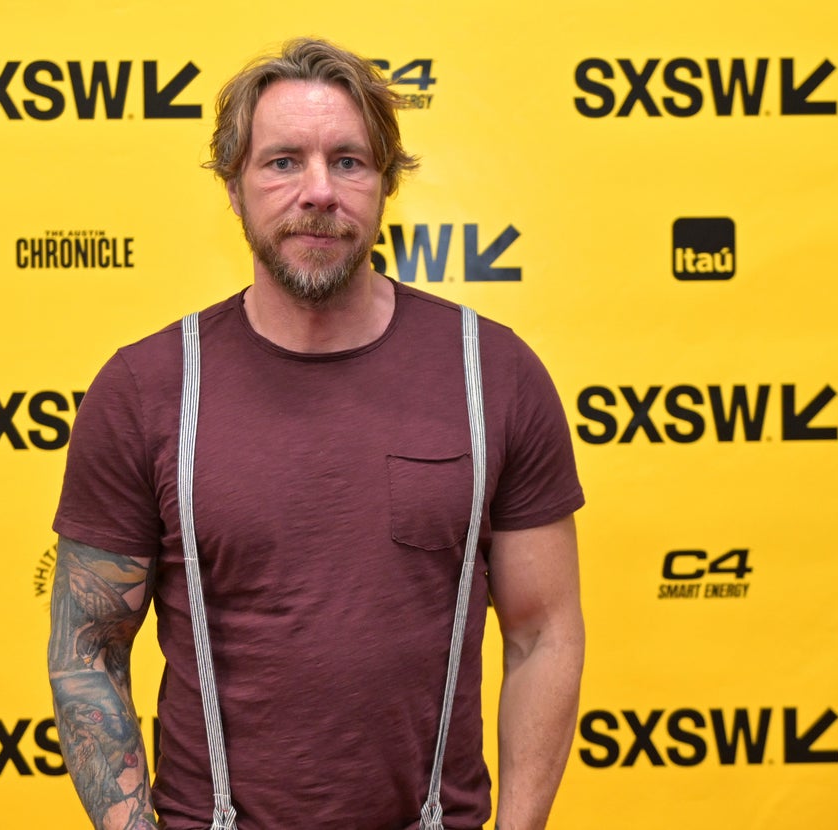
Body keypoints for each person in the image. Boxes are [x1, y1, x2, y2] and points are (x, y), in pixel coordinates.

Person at [49, 37, 585, 830]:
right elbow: (87, 649)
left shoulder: (494, 374)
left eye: (348, 161)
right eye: (282, 162)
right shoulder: (146, 389)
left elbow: (543, 633)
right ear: (233, 187)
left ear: (386, 182)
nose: (319, 191)